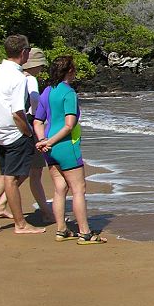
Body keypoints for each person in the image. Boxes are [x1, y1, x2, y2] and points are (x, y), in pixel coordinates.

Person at [0, 34, 45, 233]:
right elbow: (17, 113)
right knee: (13, 179)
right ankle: (20, 224)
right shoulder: (17, 77)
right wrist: (29, 133)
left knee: (7, 174)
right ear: (24, 52)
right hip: (12, 132)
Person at [34, 54, 106, 243]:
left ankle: (61, 230)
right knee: (78, 189)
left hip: (49, 147)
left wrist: (43, 140)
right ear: (70, 71)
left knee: (59, 189)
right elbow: (68, 125)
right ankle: (85, 233)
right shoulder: (69, 93)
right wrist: (49, 142)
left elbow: (37, 121)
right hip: (66, 146)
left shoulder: (47, 91)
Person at [0, 46, 50, 222]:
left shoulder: (8, 74)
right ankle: (46, 212)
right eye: (40, 65)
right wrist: (35, 130)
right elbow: (32, 106)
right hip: (28, 125)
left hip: (9, 127)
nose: (41, 68)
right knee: (32, 172)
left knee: (14, 172)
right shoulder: (29, 80)